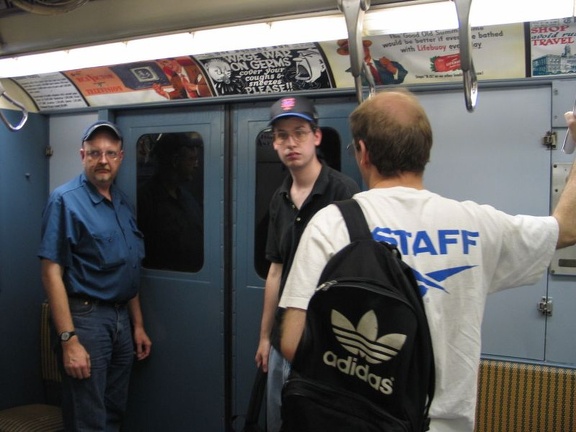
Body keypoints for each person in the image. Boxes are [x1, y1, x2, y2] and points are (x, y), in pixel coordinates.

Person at [279, 89, 576, 432]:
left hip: (360, 419)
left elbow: (291, 341)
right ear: (426, 151)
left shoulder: (333, 223)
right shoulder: (476, 223)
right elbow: (566, 229)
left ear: (362, 152)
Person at [254, 95, 360, 432]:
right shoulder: (280, 198)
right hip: (283, 336)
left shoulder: (343, 192)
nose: (291, 143)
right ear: (274, 144)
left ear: (316, 136)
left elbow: (354, 274)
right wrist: (264, 337)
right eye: (282, 135)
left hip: (327, 339)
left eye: (299, 132)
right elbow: (275, 271)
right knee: (277, 418)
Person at [38, 120, 152, 431]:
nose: (103, 160)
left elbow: (130, 267)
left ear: (121, 157)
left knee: (113, 412)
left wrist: (138, 325)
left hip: (120, 321)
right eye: (95, 153)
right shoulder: (65, 200)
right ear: (82, 155)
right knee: (87, 418)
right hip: (85, 321)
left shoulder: (123, 203)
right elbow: (51, 273)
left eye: (110, 153)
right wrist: (68, 340)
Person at [137, 133, 204, 272]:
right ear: (175, 161)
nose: (196, 165)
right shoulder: (145, 200)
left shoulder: (187, 198)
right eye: (192, 159)